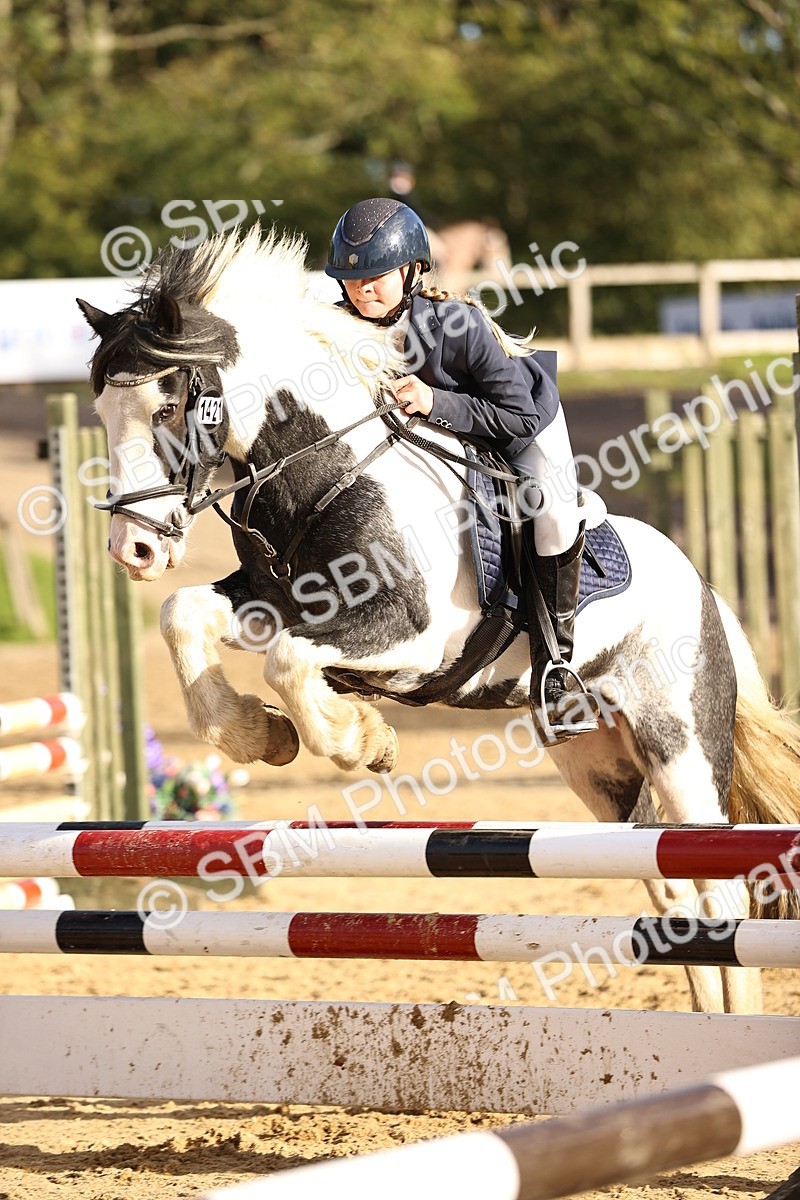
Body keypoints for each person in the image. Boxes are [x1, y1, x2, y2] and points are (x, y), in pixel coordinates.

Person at [325, 197, 597, 741]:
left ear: (410, 271)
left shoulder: (457, 324)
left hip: (518, 422)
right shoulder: (338, 327)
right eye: (352, 280)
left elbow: (517, 414)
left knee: (550, 512)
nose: (362, 290)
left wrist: (435, 403)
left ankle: (557, 670)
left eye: (377, 277)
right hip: (439, 441)